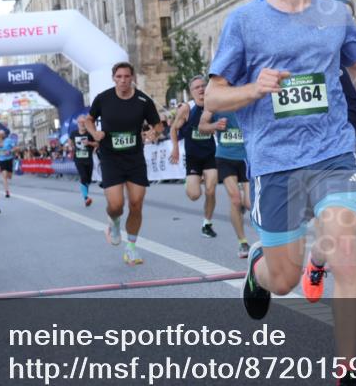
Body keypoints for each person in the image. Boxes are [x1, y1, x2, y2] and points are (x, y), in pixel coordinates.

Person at [206, 0, 356, 386]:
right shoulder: (244, 21)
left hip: (333, 152)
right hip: (275, 162)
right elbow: (214, 100)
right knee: (283, 279)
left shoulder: (335, 13)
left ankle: (346, 382)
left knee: (347, 255)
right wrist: (251, 88)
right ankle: (256, 268)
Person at [301, 0, 356, 345]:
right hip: (318, 151)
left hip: (355, 149)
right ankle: (317, 260)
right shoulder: (308, 54)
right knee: (335, 236)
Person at [84, 62, 163, 266]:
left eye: (126, 77)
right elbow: (89, 120)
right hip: (111, 158)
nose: (123, 81)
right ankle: (115, 222)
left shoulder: (143, 100)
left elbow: (158, 123)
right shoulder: (103, 98)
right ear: (113, 78)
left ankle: (131, 248)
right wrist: (94, 133)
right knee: (116, 205)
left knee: (136, 204)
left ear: (132, 77)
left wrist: (154, 132)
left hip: (135, 158)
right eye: (119, 77)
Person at [170, 76, 219, 238]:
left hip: (210, 154)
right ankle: (189, 183)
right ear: (191, 92)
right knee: (194, 195)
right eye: (196, 87)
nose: (201, 89)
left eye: (203, 86)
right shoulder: (186, 109)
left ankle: (207, 223)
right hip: (193, 157)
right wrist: (175, 148)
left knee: (211, 189)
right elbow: (173, 129)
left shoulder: (212, 106)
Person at [198, 108, 251, 258]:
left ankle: (243, 204)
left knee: (249, 203)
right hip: (225, 157)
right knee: (234, 199)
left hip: (247, 157)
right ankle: (243, 242)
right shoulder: (216, 98)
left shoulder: (246, 91)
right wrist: (214, 126)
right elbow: (202, 126)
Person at [69, 116, 98, 207]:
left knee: (88, 180)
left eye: (83, 122)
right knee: (83, 176)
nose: (82, 124)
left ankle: (86, 195)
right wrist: (71, 146)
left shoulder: (90, 133)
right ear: (77, 124)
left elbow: (97, 144)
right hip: (78, 159)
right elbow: (70, 141)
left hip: (88, 159)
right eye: (80, 123)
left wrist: (89, 143)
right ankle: (86, 198)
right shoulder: (74, 133)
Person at [0, 130, 16, 198]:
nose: (2, 135)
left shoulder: (9, 140)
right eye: (0, 134)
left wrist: (10, 151)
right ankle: (7, 192)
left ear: (4, 135)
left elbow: (15, 148)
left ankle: (9, 175)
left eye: (3, 134)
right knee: (4, 177)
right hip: (1, 160)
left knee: (9, 176)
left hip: (9, 160)